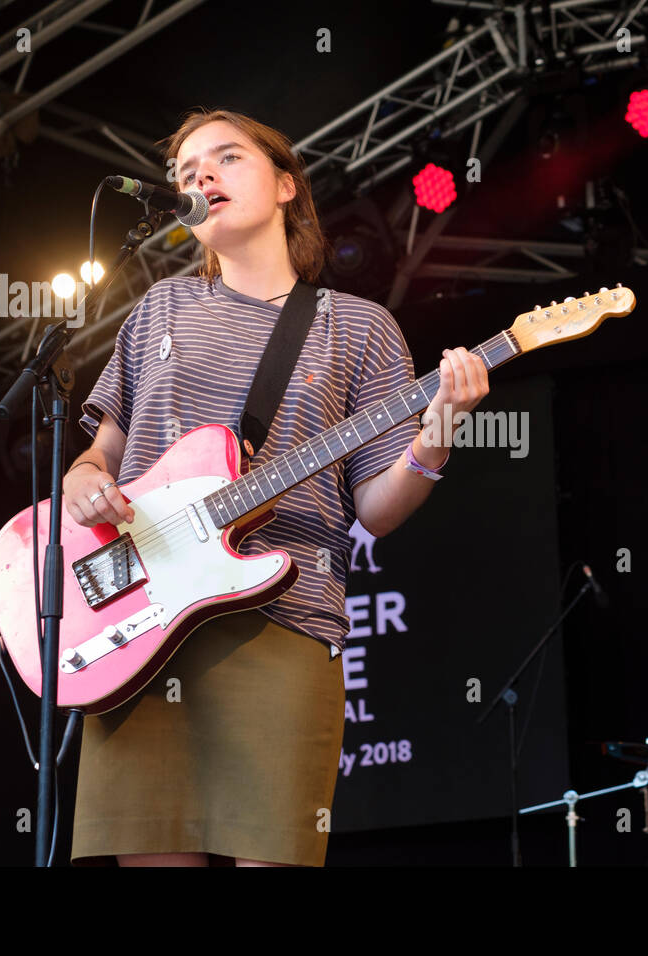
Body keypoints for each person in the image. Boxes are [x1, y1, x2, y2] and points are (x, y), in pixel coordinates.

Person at [62, 109, 489, 867]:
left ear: (287, 184)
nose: (202, 177)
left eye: (226, 158)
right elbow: (101, 452)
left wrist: (438, 433)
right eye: (188, 171)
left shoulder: (358, 328)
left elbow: (375, 512)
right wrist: (87, 482)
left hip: (282, 619)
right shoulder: (159, 308)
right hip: (141, 627)